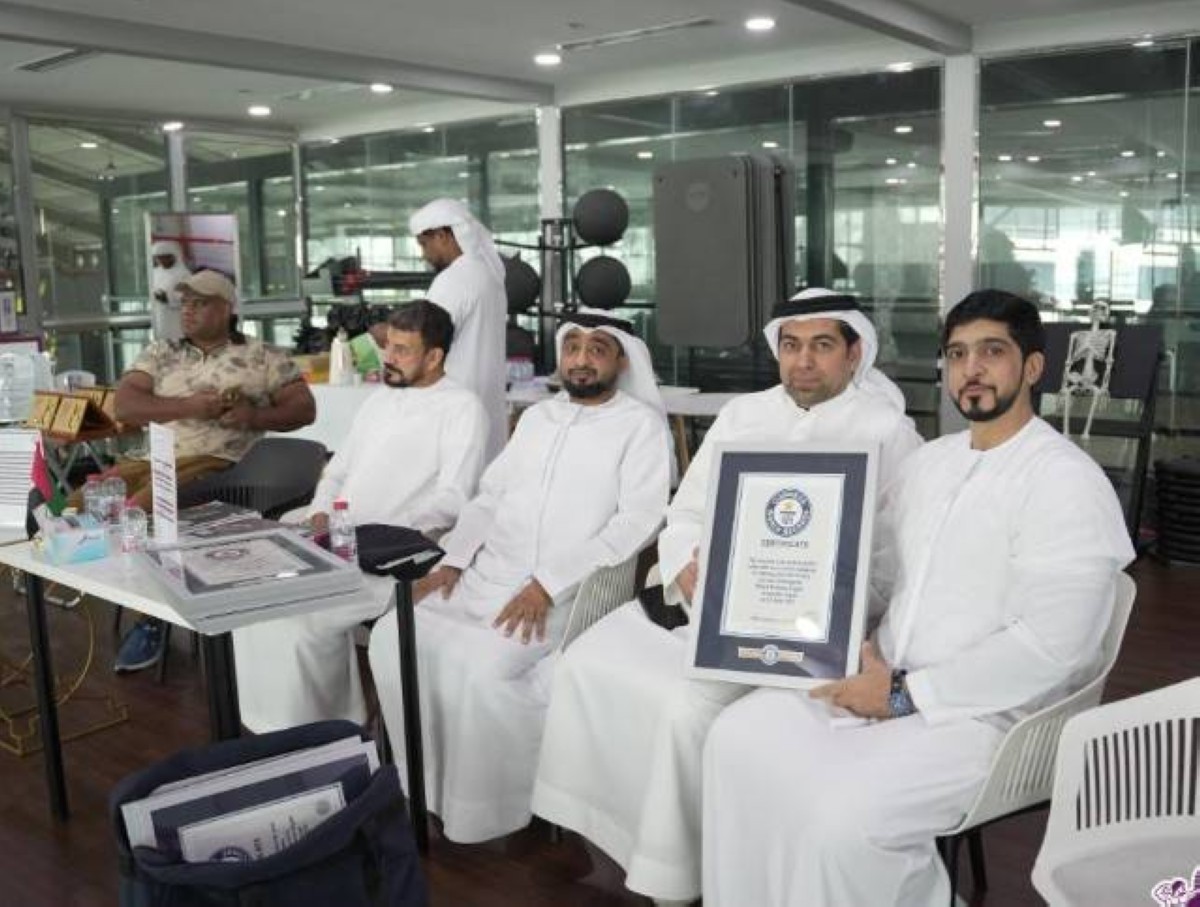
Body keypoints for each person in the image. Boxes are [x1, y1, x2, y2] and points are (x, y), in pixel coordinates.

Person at [700, 290, 1135, 907]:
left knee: (840, 819)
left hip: (983, 715)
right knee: (733, 739)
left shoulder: (1064, 480)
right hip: (879, 676)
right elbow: (875, 570)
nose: (972, 369)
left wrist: (906, 694)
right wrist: (808, 621)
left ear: (1032, 367)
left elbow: (1055, 645)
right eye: (958, 354)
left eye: (992, 352)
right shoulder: (931, 463)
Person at [532, 288, 924, 905]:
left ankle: (676, 876)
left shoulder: (889, 433)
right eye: (791, 346)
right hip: (713, 607)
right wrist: (685, 567)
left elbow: (897, 553)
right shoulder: (744, 415)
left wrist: (839, 599)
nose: (803, 361)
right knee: (584, 660)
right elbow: (686, 511)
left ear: (854, 355)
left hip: (816, 632)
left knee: (684, 711)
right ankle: (609, 833)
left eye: (822, 346)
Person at [367, 310, 672, 845]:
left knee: (483, 668)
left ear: (621, 362)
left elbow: (639, 521)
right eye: (572, 347)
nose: (581, 359)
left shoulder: (639, 425)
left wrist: (547, 584)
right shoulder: (537, 417)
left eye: (597, 349)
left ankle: (487, 807)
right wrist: (452, 561)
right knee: (395, 635)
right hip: (487, 573)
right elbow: (491, 497)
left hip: (565, 592)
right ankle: (425, 785)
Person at [231, 300, 490, 732]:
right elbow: (337, 471)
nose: (388, 357)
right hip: (335, 535)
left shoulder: (462, 408)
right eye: (388, 345)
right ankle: (266, 731)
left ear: (434, 357)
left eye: (402, 350)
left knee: (300, 622)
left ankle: (330, 734)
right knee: (254, 598)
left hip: (391, 554)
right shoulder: (380, 399)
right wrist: (319, 513)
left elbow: (453, 498)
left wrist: (380, 530)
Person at [103, 270, 316, 672]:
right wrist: (189, 407)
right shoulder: (161, 352)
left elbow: (304, 409)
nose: (188, 310)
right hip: (155, 461)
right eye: (184, 303)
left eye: (199, 303)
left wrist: (253, 416)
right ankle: (142, 596)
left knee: (141, 511)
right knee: (91, 503)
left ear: (227, 309)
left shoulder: (263, 355)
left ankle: (152, 620)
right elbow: (125, 406)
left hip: (225, 469)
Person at [409, 198, 507, 459]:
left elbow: (423, 342)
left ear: (442, 236)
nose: (424, 255)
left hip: (456, 402)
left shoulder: (453, 279)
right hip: (483, 398)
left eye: (424, 244)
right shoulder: (487, 274)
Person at [149, 240, 191, 342]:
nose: (161, 260)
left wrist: (168, 298)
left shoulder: (183, 274)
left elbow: (188, 298)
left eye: (164, 257)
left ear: (173, 256)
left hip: (176, 321)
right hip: (159, 318)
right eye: (158, 257)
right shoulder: (155, 272)